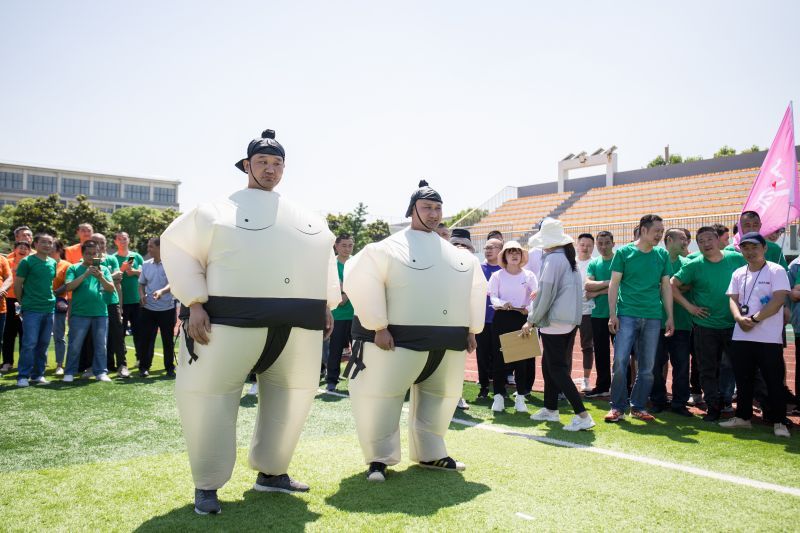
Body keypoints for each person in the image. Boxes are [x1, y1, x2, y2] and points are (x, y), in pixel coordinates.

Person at [160, 129, 340, 515]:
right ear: (246, 165)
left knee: (292, 399)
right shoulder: (215, 210)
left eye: (277, 164)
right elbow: (178, 247)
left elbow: (323, 257)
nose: (270, 169)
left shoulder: (306, 217)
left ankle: (272, 473)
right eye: (262, 162)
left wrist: (327, 302)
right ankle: (207, 485)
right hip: (228, 324)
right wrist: (194, 302)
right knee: (210, 399)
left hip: (297, 327)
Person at [343, 180, 486, 483]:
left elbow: (474, 288)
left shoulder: (458, 255)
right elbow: (361, 278)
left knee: (442, 395)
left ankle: (431, 451)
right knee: (382, 397)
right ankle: (378, 459)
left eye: (437, 208)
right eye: (427, 208)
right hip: (395, 340)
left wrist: (472, 329)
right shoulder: (385, 249)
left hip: (447, 342)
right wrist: (377, 325)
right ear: (412, 211)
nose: (433, 214)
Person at [523, 218, 595, 431]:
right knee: (550, 366)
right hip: (567, 320)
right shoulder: (565, 257)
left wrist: (531, 320)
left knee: (556, 369)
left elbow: (546, 292)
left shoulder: (554, 259)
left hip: (555, 322)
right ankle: (550, 408)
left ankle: (582, 415)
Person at [605, 214, 674, 423]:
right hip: (626, 315)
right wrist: (612, 314)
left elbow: (666, 287)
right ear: (643, 230)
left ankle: (638, 406)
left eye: (662, 232)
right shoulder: (624, 253)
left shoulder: (662, 255)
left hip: (653, 317)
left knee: (648, 366)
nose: (660, 235)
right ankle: (617, 406)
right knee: (620, 361)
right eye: (656, 231)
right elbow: (613, 285)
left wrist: (669, 316)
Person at [721, 232, 791, 438]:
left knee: (773, 381)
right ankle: (743, 417)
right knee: (743, 380)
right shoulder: (738, 273)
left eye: (754, 247)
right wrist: (739, 319)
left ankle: (779, 421)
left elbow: (778, 300)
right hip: (742, 335)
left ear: (764, 248)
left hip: (768, 338)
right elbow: (733, 299)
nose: (750, 252)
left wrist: (754, 319)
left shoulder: (776, 270)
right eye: (745, 248)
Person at [672, 227, 745, 421]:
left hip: (733, 324)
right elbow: (672, 285)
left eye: (709, 239)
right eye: (701, 240)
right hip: (705, 326)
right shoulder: (694, 264)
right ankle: (713, 407)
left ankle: (728, 401)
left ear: (717, 240)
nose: (706, 243)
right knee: (707, 369)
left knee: (734, 366)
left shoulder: (735, 258)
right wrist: (690, 307)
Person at [488, 241, 537, 413]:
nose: (514, 255)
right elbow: (492, 297)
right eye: (510, 252)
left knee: (522, 360)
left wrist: (528, 310)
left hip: (522, 320)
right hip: (501, 318)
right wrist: (502, 303)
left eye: (517, 252)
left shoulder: (529, 275)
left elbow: (535, 298)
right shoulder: (497, 276)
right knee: (499, 359)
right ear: (505, 256)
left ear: (522, 256)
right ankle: (499, 396)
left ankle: (521, 398)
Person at [650, 229, 693, 416]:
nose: (686, 242)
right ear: (669, 240)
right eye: (682, 238)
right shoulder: (656, 260)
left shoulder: (688, 263)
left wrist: (669, 287)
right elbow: (655, 288)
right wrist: (677, 287)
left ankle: (679, 403)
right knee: (655, 364)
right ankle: (658, 400)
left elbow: (689, 286)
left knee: (682, 365)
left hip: (682, 323)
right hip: (656, 322)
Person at [62, 240, 116, 383]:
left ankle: (101, 372)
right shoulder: (73, 268)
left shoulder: (103, 269)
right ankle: (69, 372)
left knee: (101, 345)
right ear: (83, 254)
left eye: (94, 253)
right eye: (88, 253)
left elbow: (111, 288)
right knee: (74, 345)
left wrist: (101, 277)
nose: (91, 256)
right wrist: (85, 275)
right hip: (80, 313)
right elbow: (68, 287)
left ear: (98, 253)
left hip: (100, 312)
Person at [14, 233, 57, 387]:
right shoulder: (27, 262)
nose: (47, 245)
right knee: (29, 343)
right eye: (44, 242)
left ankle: (38, 375)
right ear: (36, 244)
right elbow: (18, 284)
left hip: (49, 308)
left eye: (50, 243)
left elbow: (49, 284)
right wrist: (22, 302)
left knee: (43, 344)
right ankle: (22, 376)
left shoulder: (52, 262)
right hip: (32, 309)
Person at [136, 238, 176, 378]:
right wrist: (141, 295)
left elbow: (173, 284)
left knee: (167, 339)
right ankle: (144, 367)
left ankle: (169, 368)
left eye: (151, 247)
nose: (149, 249)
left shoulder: (171, 264)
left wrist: (161, 292)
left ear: (160, 248)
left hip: (167, 308)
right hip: (148, 308)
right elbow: (141, 283)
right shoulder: (146, 264)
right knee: (146, 339)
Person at [92, 233, 128, 378]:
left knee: (118, 334)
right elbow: (92, 280)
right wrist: (110, 277)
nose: (99, 245)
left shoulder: (112, 258)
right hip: (96, 303)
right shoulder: (91, 260)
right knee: (98, 336)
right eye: (96, 242)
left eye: (102, 242)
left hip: (112, 301)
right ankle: (102, 365)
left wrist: (103, 277)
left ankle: (122, 365)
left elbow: (118, 276)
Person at [584, 231, 614, 397]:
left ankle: (624, 387)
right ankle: (602, 386)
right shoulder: (594, 263)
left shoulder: (619, 260)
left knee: (621, 354)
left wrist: (598, 291)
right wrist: (611, 284)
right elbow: (588, 286)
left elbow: (623, 285)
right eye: (600, 243)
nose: (603, 246)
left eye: (607, 243)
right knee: (601, 352)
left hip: (618, 314)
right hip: (598, 315)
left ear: (613, 243)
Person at [326, 234, 355, 392]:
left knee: (358, 351)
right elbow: (333, 288)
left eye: (350, 245)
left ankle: (357, 381)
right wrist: (345, 288)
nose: (347, 249)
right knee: (335, 350)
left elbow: (360, 284)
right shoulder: (331, 265)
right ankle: (332, 380)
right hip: (337, 315)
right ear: (336, 246)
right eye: (344, 245)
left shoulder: (356, 263)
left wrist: (346, 290)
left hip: (356, 314)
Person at [475, 238, 503, 400]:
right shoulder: (478, 269)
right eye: (486, 247)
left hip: (500, 320)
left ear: (500, 249)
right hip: (482, 320)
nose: (488, 250)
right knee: (482, 355)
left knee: (500, 355)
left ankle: (500, 389)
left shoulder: (505, 270)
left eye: (492, 247)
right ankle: (484, 387)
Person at [2, 239, 31, 372]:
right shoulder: (7, 262)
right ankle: (7, 362)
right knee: (8, 332)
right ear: (14, 250)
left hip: (26, 301)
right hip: (9, 300)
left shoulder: (31, 263)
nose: (23, 250)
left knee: (24, 332)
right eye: (20, 247)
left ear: (29, 251)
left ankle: (23, 363)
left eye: (26, 248)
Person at [112, 231, 144, 350]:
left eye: (124, 238)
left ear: (129, 240)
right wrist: (123, 268)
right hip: (120, 301)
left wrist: (134, 272)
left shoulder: (136, 256)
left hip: (136, 300)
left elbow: (145, 274)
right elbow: (112, 276)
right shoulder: (113, 258)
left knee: (139, 332)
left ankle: (140, 359)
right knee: (121, 332)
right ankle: (122, 360)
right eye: (119, 239)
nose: (122, 241)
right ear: (115, 242)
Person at [575, 233, 595, 392]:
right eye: (582, 244)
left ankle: (586, 379)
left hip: (588, 311)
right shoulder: (570, 263)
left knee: (587, 346)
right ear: (577, 245)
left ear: (593, 247)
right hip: (570, 310)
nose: (585, 247)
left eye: (588, 245)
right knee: (565, 345)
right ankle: (564, 377)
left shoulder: (595, 263)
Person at [51, 240, 71, 376]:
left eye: (52, 246)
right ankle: (39, 363)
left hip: (59, 302)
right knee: (42, 336)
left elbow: (67, 284)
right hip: (40, 302)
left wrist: (55, 293)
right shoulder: (39, 262)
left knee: (59, 335)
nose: (48, 247)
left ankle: (59, 364)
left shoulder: (66, 265)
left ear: (59, 249)